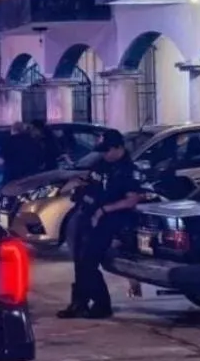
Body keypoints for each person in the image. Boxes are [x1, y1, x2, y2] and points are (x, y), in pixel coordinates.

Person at [58, 129, 141, 319]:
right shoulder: (103, 164)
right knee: (80, 261)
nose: (104, 154)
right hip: (88, 215)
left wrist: (103, 211)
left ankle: (102, 305)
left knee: (88, 262)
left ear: (118, 148)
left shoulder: (128, 169)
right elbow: (92, 183)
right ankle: (79, 303)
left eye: (107, 150)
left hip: (110, 220)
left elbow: (131, 200)